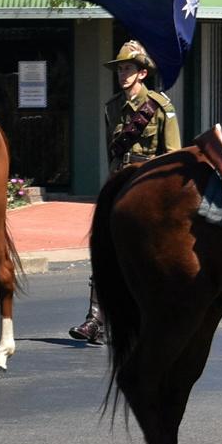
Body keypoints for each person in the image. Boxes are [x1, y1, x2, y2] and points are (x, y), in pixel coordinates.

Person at [67, 40, 181, 346]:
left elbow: (172, 155)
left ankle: (150, 319)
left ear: (142, 73)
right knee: (105, 251)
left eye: (128, 68)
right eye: (120, 69)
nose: (123, 74)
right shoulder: (112, 107)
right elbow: (112, 154)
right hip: (119, 188)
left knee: (148, 259)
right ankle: (95, 321)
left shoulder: (160, 107)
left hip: (149, 188)